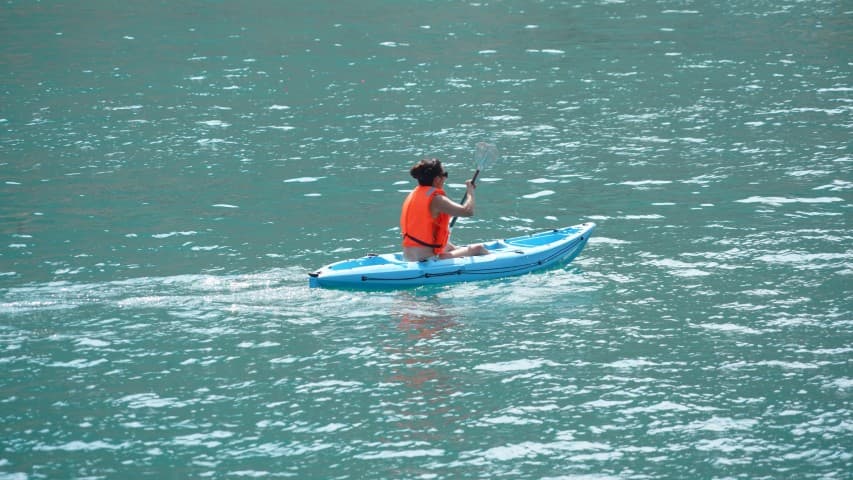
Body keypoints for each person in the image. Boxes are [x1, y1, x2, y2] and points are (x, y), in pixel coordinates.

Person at [400, 157, 489, 261]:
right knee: (478, 249)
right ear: (437, 179)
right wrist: (470, 191)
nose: (445, 178)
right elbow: (468, 211)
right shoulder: (437, 199)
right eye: (445, 175)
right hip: (427, 260)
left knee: (450, 247)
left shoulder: (414, 195)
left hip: (408, 256)